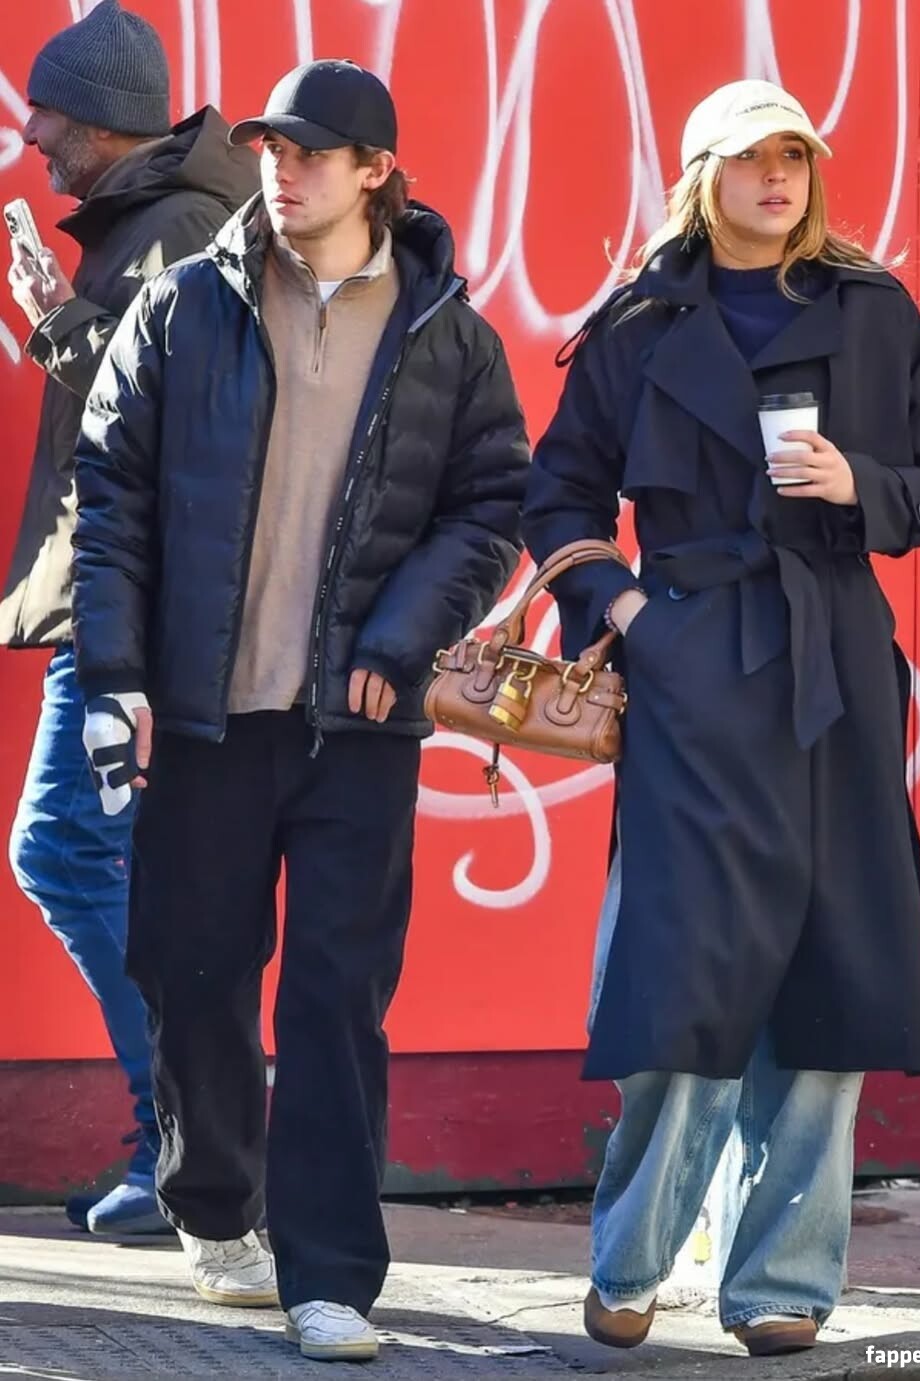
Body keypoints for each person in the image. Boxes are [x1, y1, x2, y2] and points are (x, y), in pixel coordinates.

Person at [70, 58, 529, 1363]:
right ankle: (217, 1204)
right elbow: (112, 496)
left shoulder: (447, 332)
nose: (283, 171)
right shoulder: (188, 306)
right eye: (272, 148)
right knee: (192, 974)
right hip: (206, 719)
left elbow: (490, 505)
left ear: (377, 171)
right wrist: (116, 679)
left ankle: (331, 1275)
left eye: (313, 153)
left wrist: (400, 634)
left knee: (335, 998)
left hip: (357, 727)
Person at [523, 78, 920, 1358]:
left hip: (836, 669)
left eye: (795, 155)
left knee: (835, 974)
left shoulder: (874, 310)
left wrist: (860, 480)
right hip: (692, 667)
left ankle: (781, 1281)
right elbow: (556, 495)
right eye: (750, 157)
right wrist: (627, 614)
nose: (777, 176)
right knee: (684, 975)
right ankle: (632, 1261)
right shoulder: (635, 325)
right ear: (702, 175)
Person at [3, 0, 258, 1236]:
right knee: (120, 866)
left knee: (62, 850)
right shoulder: (154, 222)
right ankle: (184, 1135)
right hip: (120, 600)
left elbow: (159, 414)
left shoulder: (179, 226)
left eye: (47, 117)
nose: (34, 139)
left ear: (101, 120)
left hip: (129, 607)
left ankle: (184, 1132)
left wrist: (55, 316)